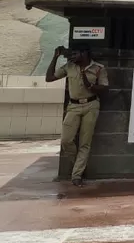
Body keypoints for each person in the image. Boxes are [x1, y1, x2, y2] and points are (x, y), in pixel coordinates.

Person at [46, 43, 108, 186]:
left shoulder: (98, 68)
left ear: (85, 53)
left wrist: (91, 86)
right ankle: (78, 165)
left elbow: (104, 87)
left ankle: (77, 175)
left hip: (91, 105)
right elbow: (49, 78)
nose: (72, 56)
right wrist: (55, 57)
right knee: (66, 141)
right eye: (72, 54)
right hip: (73, 106)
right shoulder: (69, 67)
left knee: (84, 143)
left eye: (75, 54)